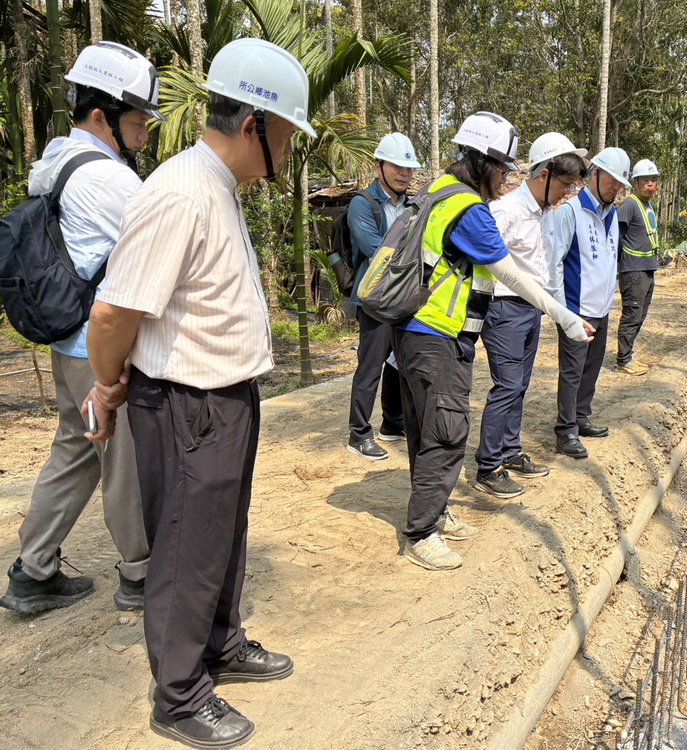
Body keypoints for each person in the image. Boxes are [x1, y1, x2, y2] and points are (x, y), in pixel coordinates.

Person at [84, 39, 314, 749]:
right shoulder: (181, 191)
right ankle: (178, 694)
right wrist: (105, 383)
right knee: (187, 546)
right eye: (285, 134)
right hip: (186, 402)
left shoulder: (217, 187)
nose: (287, 147)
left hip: (225, 396)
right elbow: (114, 312)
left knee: (220, 534)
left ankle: (220, 641)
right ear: (255, 126)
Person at [0, 42, 162, 616]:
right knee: (123, 459)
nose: (146, 127)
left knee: (74, 449)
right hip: (100, 349)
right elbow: (163, 251)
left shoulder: (58, 160)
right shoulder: (107, 181)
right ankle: (141, 575)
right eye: (138, 115)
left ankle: (34, 570)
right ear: (102, 116)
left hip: (68, 344)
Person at [391, 112, 593, 572]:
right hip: (435, 331)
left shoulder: (439, 190)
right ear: (482, 162)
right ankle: (422, 531)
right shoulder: (468, 209)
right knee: (446, 431)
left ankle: (435, 511)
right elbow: (509, 273)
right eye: (503, 169)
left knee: (428, 428)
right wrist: (565, 318)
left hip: (419, 329)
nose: (507, 179)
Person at [472, 132, 587, 499]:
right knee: (506, 386)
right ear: (543, 175)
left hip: (530, 310)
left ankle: (509, 451)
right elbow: (484, 259)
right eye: (565, 185)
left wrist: (557, 309)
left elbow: (542, 268)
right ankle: (488, 467)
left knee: (520, 385)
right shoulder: (505, 210)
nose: (567, 194)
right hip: (504, 309)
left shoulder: (543, 214)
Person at [548, 147, 631, 460]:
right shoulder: (571, 211)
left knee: (591, 366)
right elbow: (556, 261)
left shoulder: (611, 214)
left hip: (601, 307)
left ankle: (581, 416)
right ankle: (565, 429)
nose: (615, 187)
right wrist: (560, 309)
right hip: (575, 307)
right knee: (572, 370)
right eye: (611, 179)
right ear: (594, 173)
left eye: (620, 183)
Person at [346, 133, 420, 460]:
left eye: (409, 167)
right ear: (379, 167)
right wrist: (412, 257)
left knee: (399, 364)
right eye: (397, 166)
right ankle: (358, 434)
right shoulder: (363, 204)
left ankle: (393, 424)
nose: (404, 173)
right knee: (371, 366)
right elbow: (374, 249)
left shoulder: (413, 206)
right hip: (374, 299)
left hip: (402, 298)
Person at [615, 158, 662, 376]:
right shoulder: (630, 204)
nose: (651, 184)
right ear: (636, 182)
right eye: (646, 181)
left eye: (654, 180)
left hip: (646, 267)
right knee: (632, 314)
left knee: (640, 315)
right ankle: (624, 360)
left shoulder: (647, 205)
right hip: (633, 270)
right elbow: (616, 237)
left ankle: (629, 354)